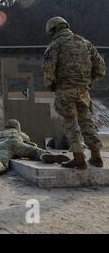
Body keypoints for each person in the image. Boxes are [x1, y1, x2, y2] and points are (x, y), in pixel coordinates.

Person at [43, 17, 106, 170]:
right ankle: (96, 157)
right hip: (83, 91)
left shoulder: (55, 46)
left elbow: (49, 70)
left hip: (65, 90)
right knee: (86, 122)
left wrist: (51, 86)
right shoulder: (86, 43)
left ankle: (79, 159)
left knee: (70, 123)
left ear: (53, 30)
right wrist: (89, 82)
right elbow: (101, 68)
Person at [0, 119, 70, 184]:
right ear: (18, 127)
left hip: (2, 145)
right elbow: (31, 144)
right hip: (17, 142)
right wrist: (32, 147)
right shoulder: (21, 134)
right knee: (36, 151)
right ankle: (44, 155)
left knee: (2, 162)